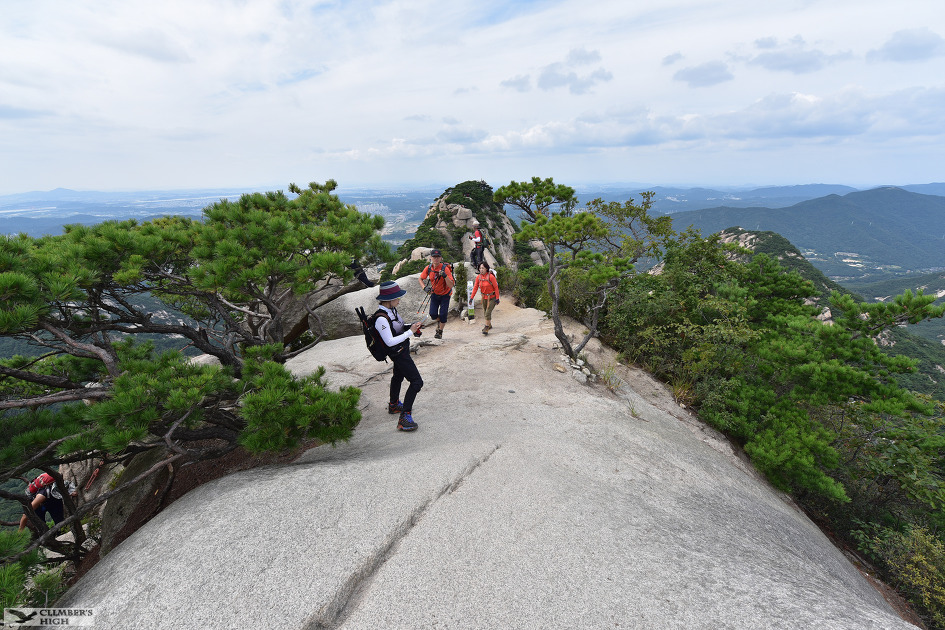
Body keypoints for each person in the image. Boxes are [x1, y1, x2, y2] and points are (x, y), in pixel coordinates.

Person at [375, 280, 424, 431]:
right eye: (397, 297)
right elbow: (389, 341)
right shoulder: (381, 319)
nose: (399, 299)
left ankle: (394, 404)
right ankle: (404, 417)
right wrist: (410, 332)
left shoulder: (392, 311)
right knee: (416, 382)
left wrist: (412, 327)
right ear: (389, 300)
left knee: (398, 376)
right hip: (397, 353)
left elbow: (398, 327)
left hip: (401, 349)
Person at [418, 249, 455, 340]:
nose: (436, 259)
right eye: (434, 257)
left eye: (438, 257)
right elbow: (420, 279)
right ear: (431, 258)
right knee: (433, 314)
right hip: (434, 294)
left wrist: (445, 276)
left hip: (445, 294)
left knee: (443, 314)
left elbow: (451, 285)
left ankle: (439, 332)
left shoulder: (445, 269)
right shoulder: (429, 268)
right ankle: (439, 322)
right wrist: (424, 288)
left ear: (441, 258)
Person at [469, 261, 500, 335]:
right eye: (480, 268)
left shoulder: (491, 277)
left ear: (486, 269)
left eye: (483, 268)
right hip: (484, 298)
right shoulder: (478, 277)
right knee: (485, 311)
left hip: (492, 297)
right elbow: (475, 288)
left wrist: (497, 298)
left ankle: (486, 328)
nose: (481, 269)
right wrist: (471, 298)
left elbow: (496, 288)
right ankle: (489, 325)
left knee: (487, 313)